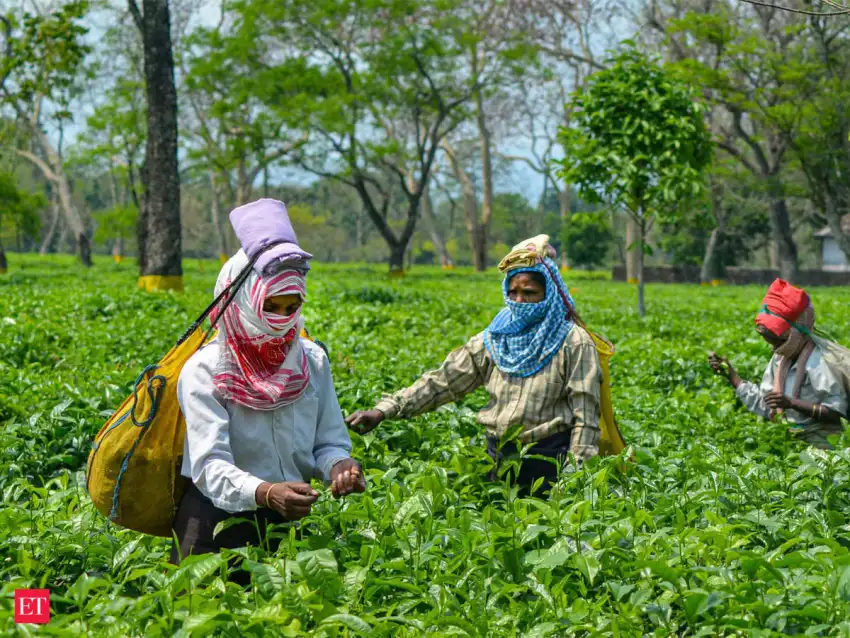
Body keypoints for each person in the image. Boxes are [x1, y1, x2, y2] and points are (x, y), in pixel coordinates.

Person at [171, 199, 366, 579]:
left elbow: (328, 441)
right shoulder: (206, 370)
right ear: (242, 300)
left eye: (292, 306)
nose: (281, 319)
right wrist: (264, 492)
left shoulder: (311, 360)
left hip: (289, 524)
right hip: (215, 525)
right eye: (271, 306)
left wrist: (340, 466)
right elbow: (209, 467)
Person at [346, 235, 602, 494]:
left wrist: (573, 479)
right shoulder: (495, 337)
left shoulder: (573, 341)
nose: (519, 301)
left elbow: (586, 417)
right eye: (513, 291)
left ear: (549, 293)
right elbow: (444, 381)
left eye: (530, 293)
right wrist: (384, 410)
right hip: (497, 458)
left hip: (548, 461)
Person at [709, 278, 848, 449]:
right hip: (788, 439)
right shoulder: (782, 359)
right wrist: (731, 375)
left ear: (796, 332)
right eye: (771, 342)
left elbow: (836, 413)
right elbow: (769, 404)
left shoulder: (819, 362)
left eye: (777, 340)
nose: (775, 348)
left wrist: (791, 403)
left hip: (822, 444)